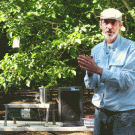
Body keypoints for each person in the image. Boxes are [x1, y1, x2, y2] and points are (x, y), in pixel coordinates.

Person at [77, 8, 135, 135]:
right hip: (100, 114)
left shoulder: (131, 48)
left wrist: (98, 70)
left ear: (120, 25)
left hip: (124, 116)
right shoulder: (96, 50)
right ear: (100, 25)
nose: (109, 26)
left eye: (113, 22)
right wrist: (90, 73)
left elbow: (127, 81)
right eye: (106, 22)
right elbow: (91, 85)